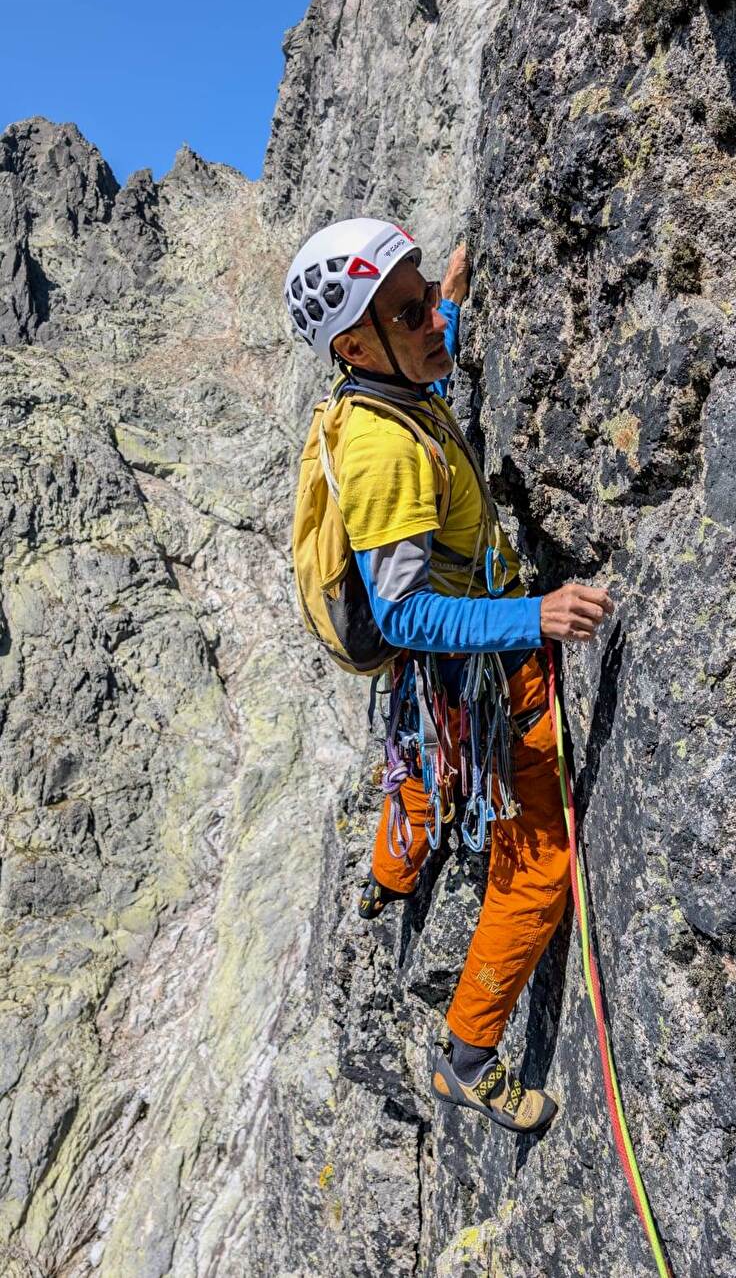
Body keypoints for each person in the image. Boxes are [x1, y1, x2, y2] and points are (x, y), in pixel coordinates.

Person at [284, 218, 613, 1133]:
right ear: (355, 342)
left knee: (419, 777)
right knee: (539, 869)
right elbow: (404, 616)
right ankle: (467, 1057)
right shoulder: (383, 447)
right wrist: (535, 616)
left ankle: (387, 881)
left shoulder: (387, 383)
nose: (433, 318)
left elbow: (435, 346)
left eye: (427, 298)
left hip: (435, 687)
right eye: (409, 309)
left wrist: (450, 294)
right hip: (479, 666)